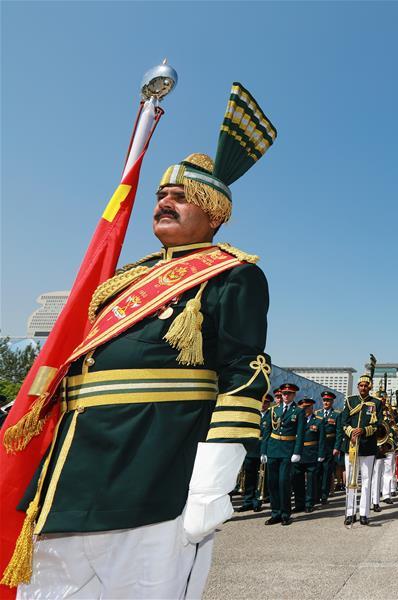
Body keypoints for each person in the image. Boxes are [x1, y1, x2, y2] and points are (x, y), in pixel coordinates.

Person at [7, 83, 276, 598]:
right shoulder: (121, 281)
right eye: (160, 196)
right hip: (71, 475)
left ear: (214, 212)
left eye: (180, 197)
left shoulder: (231, 274)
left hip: (156, 472)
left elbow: (244, 374)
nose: (164, 203)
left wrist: (212, 480)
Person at [340, 373, 383, 527]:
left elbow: (379, 425)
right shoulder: (350, 401)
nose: (363, 388)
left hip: (367, 447)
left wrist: (364, 430)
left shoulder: (376, 403)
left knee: (366, 481)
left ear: (369, 387)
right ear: (357, 387)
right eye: (361, 385)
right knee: (350, 481)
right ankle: (350, 513)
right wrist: (351, 432)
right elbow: (343, 421)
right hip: (351, 446)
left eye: (366, 386)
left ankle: (364, 513)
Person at [263, 384, 303, 526]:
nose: (286, 396)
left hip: (288, 450)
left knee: (283, 482)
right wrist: (264, 451)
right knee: (272, 483)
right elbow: (266, 432)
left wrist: (297, 452)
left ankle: (285, 513)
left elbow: (300, 434)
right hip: (273, 449)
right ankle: (275, 513)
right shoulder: (274, 409)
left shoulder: (298, 411)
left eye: (289, 393)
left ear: (294, 395)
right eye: (284, 393)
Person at [236, 393, 275, 513]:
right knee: (249, 476)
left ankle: (257, 501)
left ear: (269, 404)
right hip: (251, 448)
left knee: (261, 477)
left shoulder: (272, 415)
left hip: (264, 449)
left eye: (266, 403)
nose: (264, 405)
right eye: (262, 402)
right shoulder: (253, 414)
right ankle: (248, 501)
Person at [293, 396, 325, 514]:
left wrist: (321, 454)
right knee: (297, 480)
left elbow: (322, 439)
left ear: (312, 407)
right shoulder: (295, 420)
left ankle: (309, 503)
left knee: (311, 481)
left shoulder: (318, 421)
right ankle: (299, 503)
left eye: (308, 407)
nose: (305, 409)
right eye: (303, 407)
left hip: (312, 453)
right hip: (298, 453)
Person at [317, 391, 340, 504]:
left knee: (327, 472)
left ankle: (324, 495)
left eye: (328, 400)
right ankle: (316, 493)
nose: (326, 402)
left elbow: (339, 432)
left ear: (332, 402)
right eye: (324, 400)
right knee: (317, 470)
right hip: (317, 446)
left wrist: (337, 447)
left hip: (330, 446)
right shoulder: (317, 413)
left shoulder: (336, 415)